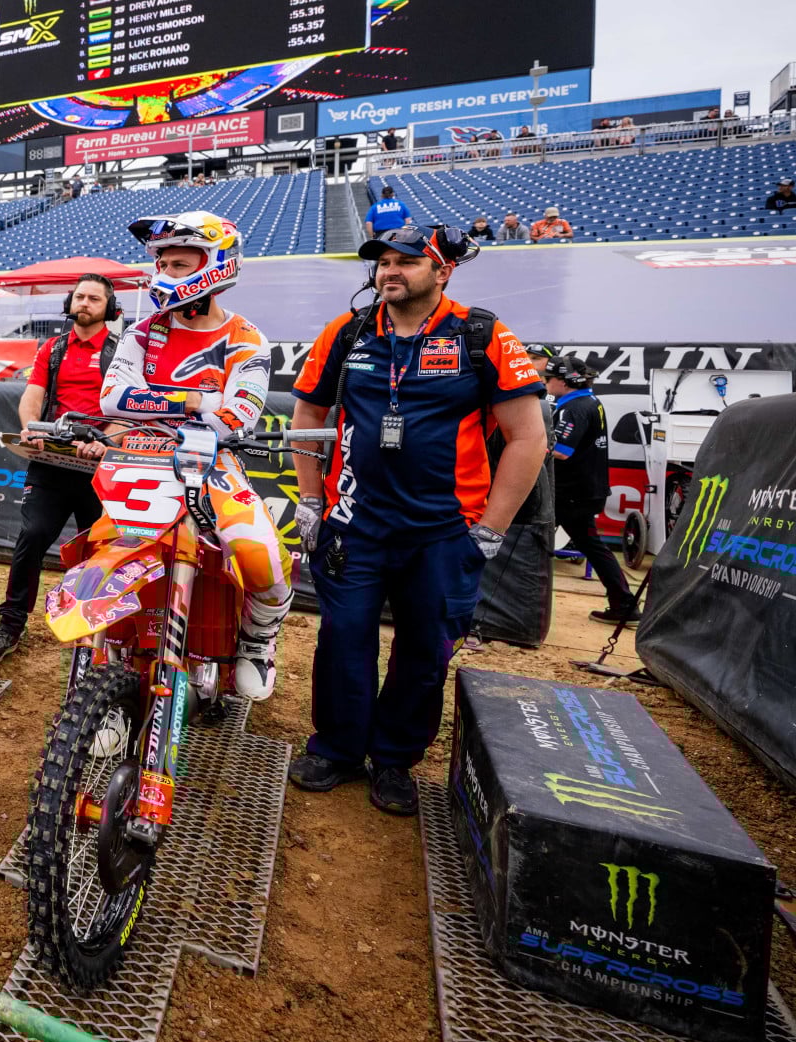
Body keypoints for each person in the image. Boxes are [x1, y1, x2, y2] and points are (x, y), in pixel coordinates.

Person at [287, 224, 548, 815]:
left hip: (443, 533)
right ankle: (337, 748)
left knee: (425, 650)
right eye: (382, 262)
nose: (389, 271)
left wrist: (489, 531)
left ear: (443, 270)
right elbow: (308, 412)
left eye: (406, 261)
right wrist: (309, 502)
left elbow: (527, 439)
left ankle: (395, 759)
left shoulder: (481, 333)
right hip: (355, 524)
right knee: (342, 638)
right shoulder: (348, 330)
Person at [91, 212, 291, 701]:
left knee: (259, 556)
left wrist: (161, 402)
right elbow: (110, 398)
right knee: (102, 554)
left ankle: (257, 640)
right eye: (162, 262)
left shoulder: (247, 340)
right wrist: (193, 401)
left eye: (179, 264)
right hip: (141, 460)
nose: (165, 273)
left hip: (214, 465)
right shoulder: (143, 331)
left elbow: (236, 417)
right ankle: (105, 670)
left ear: (216, 264)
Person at [0, 273, 115, 664]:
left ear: (109, 308)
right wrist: (30, 429)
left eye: (94, 299)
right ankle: (10, 625)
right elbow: (31, 399)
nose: (84, 303)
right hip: (51, 462)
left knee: (102, 550)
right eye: (80, 297)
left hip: (98, 469)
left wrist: (103, 442)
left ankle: (99, 634)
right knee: (32, 537)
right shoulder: (52, 349)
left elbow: (126, 412)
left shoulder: (121, 353)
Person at [545, 357, 638, 623]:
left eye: (549, 379)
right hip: (584, 489)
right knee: (592, 546)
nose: (546, 383)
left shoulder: (572, 408)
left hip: (571, 492)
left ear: (563, 382)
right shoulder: (591, 401)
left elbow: (561, 452)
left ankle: (626, 606)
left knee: (525, 539)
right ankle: (625, 605)